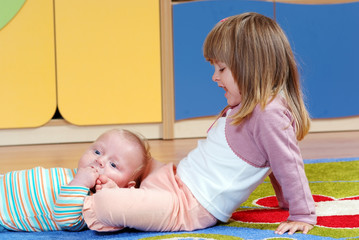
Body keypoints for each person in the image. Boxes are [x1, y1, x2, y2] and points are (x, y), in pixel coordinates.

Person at [83, 12, 316, 235]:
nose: (215, 77)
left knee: (105, 204)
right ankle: (106, 184)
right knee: (133, 156)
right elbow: (274, 159)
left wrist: (302, 213)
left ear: (252, 67)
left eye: (221, 68)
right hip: (176, 180)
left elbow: (287, 163)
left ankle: (96, 197)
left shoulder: (268, 114)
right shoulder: (254, 107)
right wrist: (284, 202)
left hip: (190, 206)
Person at [0, 129, 152, 232]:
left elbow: (65, 219)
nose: (100, 160)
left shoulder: (94, 207)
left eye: (113, 164)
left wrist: (82, 183)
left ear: (126, 187)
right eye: (97, 151)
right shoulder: (79, 174)